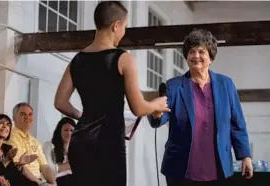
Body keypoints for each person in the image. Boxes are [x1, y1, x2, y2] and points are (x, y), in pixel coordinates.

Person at [54, 1, 170, 186]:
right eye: (124, 26)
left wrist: (83, 117)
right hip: (108, 142)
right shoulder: (123, 59)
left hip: (80, 142)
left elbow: (60, 102)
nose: (123, 32)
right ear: (116, 25)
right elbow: (138, 108)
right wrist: (157, 104)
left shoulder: (77, 60)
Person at [148, 29, 253, 185]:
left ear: (210, 57)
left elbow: (237, 124)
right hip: (181, 170)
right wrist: (156, 112)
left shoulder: (226, 84)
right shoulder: (174, 86)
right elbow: (159, 119)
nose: (196, 56)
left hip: (218, 168)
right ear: (187, 56)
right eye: (191, 51)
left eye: (201, 51)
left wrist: (245, 155)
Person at [7, 103, 57, 186]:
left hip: (37, 181)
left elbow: (44, 166)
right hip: (21, 180)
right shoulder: (11, 137)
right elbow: (19, 167)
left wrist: (54, 183)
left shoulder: (34, 141)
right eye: (23, 114)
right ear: (14, 118)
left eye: (30, 114)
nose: (27, 117)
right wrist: (41, 184)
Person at [0, 114, 39, 186]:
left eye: (8, 124)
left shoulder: (7, 148)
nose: (5, 126)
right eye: (1, 123)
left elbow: (10, 173)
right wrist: (7, 159)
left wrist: (19, 165)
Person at [43, 117, 75, 186]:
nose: (69, 133)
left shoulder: (77, 148)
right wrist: (69, 165)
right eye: (66, 130)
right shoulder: (49, 145)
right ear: (59, 132)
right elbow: (47, 170)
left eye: (72, 130)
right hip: (57, 181)